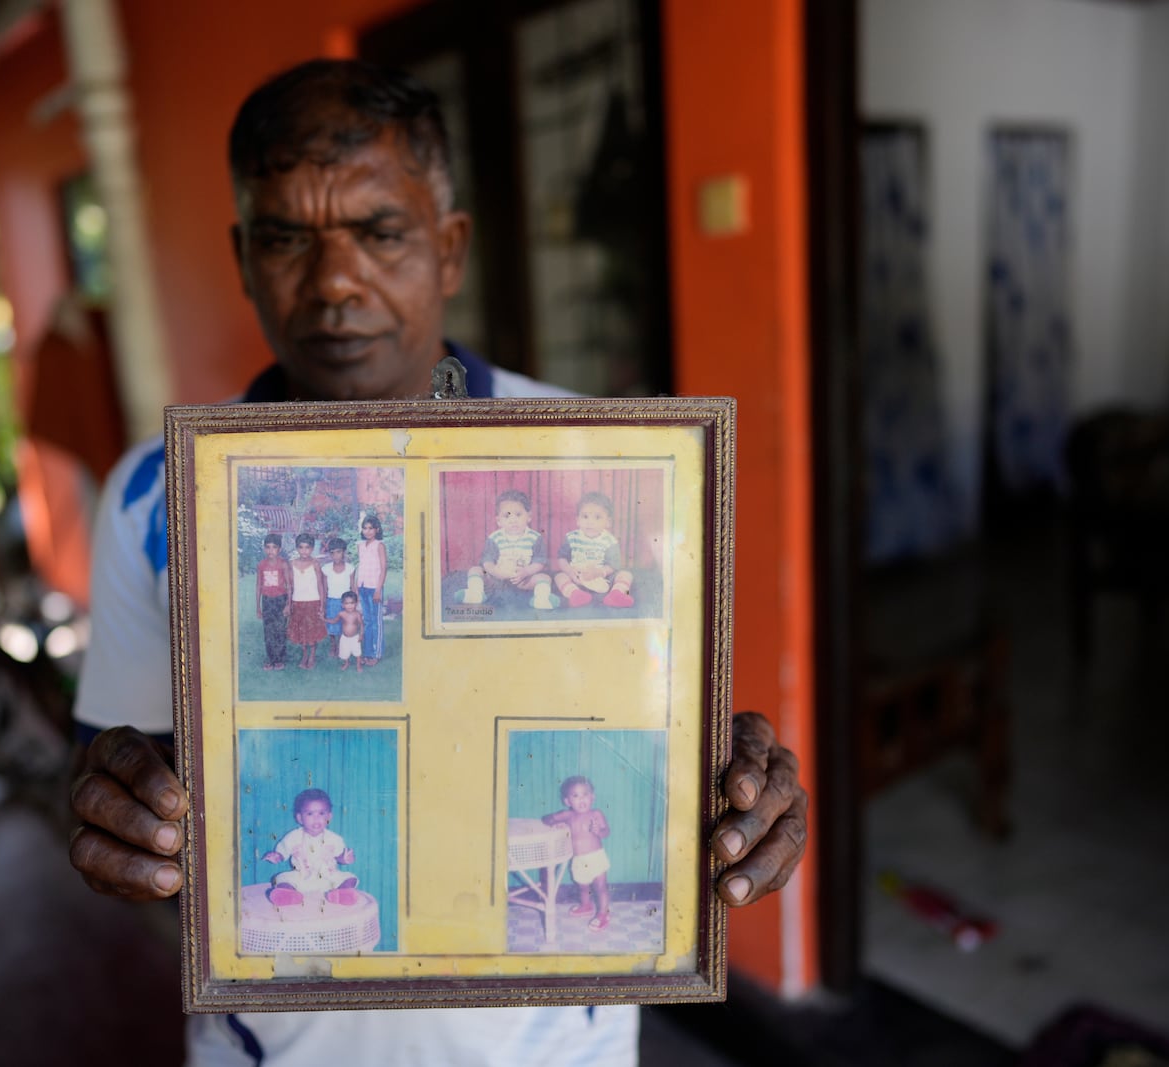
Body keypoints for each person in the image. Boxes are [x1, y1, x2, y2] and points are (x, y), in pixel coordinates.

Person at [68, 58, 808, 1067]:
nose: (333, 282)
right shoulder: (157, 500)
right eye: (287, 237)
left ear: (449, 248)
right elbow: (118, 751)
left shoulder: (609, 464)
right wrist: (117, 813)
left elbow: (655, 732)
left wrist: (737, 801)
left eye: (380, 233)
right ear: (242, 260)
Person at [262, 788, 359, 906]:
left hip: (329, 878)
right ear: (299, 818)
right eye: (310, 813)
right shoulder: (293, 836)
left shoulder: (334, 838)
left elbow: (339, 856)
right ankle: (289, 895)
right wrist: (277, 856)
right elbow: (283, 851)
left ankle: (341, 894)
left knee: (351, 878)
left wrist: (345, 859)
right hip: (301, 877)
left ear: (329, 817)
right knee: (281, 878)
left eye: (321, 813)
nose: (316, 818)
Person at [542, 776, 613, 931]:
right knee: (582, 887)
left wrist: (598, 831)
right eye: (575, 796)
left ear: (592, 797)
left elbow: (607, 831)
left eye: (585, 794)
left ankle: (603, 914)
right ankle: (586, 905)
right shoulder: (567, 815)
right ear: (567, 801)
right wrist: (556, 822)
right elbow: (546, 819)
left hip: (596, 857)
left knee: (600, 887)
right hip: (578, 860)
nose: (581, 800)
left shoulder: (596, 814)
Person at [465, 487, 553, 610]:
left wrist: (526, 572)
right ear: (499, 521)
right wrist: (496, 572)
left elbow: (540, 561)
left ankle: (541, 599)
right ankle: (475, 593)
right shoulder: (495, 538)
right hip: (496, 579)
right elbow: (487, 561)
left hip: (523, 580)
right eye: (507, 516)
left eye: (518, 514)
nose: (513, 520)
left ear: (529, 517)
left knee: (544, 578)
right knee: (475, 570)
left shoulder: (535, 538)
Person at [555, 490, 635, 609]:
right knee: (559, 577)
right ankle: (574, 594)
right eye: (585, 516)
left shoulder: (609, 541)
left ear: (607, 522)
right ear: (577, 520)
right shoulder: (571, 537)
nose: (590, 522)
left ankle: (616, 593)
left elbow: (613, 566)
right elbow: (561, 558)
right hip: (577, 577)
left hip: (602, 577)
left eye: (597, 517)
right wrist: (570, 572)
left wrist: (599, 572)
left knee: (625, 574)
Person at [287, 532, 326, 670]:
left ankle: (312, 655)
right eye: (301, 547)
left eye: (307, 548)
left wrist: (322, 604)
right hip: (298, 602)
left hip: (313, 601)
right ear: (297, 548)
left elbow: (320, 585)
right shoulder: (292, 564)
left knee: (312, 630)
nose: (304, 551)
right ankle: (304, 654)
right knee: (301, 631)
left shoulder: (315, 564)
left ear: (312, 548)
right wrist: (289, 604)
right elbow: (290, 586)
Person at [254, 533, 292, 670]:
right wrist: (258, 607)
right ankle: (270, 658)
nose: (271, 551)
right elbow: (258, 585)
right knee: (269, 631)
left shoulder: (283, 564)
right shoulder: (261, 565)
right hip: (267, 601)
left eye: (274, 547)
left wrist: (288, 604)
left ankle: (279, 659)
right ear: (264, 549)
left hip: (281, 600)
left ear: (279, 549)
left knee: (280, 630)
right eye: (268, 547)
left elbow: (288, 584)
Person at [355, 514, 388, 665]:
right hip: (362, 587)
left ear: (376, 530)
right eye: (365, 528)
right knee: (367, 621)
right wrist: (356, 585)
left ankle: (376, 653)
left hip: (374, 587)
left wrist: (378, 589)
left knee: (376, 622)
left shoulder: (379, 545)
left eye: (370, 528)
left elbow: (383, 568)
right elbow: (361, 565)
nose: (367, 531)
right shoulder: (360, 545)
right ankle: (367, 652)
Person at [321, 536, 357, 657]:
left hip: (346, 602)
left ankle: (343, 645)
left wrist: (355, 603)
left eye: (338, 552)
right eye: (332, 553)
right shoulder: (326, 569)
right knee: (332, 625)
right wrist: (323, 603)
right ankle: (333, 645)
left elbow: (353, 586)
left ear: (344, 552)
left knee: (345, 624)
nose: (336, 556)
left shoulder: (350, 568)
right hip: (331, 601)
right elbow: (325, 589)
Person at [328, 589, 365, 672]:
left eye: (352, 603)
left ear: (356, 603)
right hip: (344, 637)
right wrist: (325, 619)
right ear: (343, 605)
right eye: (347, 603)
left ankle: (358, 665)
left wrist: (361, 635)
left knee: (357, 653)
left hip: (355, 637)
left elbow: (362, 625)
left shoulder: (357, 614)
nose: (350, 606)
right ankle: (346, 663)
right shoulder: (342, 614)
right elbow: (334, 621)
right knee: (345, 652)